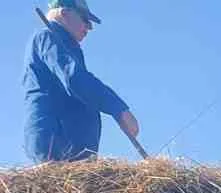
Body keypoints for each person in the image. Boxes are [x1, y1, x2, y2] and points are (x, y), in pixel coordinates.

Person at [21, 2, 138, 164]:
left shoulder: (65, 45)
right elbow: (74, 78)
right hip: (56, 141)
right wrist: (119, 109)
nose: (89, 27)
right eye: (85, 20)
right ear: (64, 13)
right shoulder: (48, 37)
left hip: (70, 147)